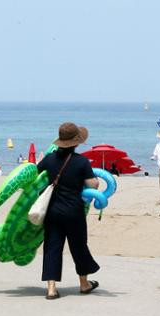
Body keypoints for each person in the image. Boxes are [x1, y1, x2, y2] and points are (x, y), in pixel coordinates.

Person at [37, 122, 100, 300]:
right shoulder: (81, 161)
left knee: (52, 247)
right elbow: (92, 185)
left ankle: (51, 289)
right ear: (76, 143)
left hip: (52, 211)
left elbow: (36, 174)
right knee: (79, 246)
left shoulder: (49, 159)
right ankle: (84, 284)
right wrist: (96, 181)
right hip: (74, 211)